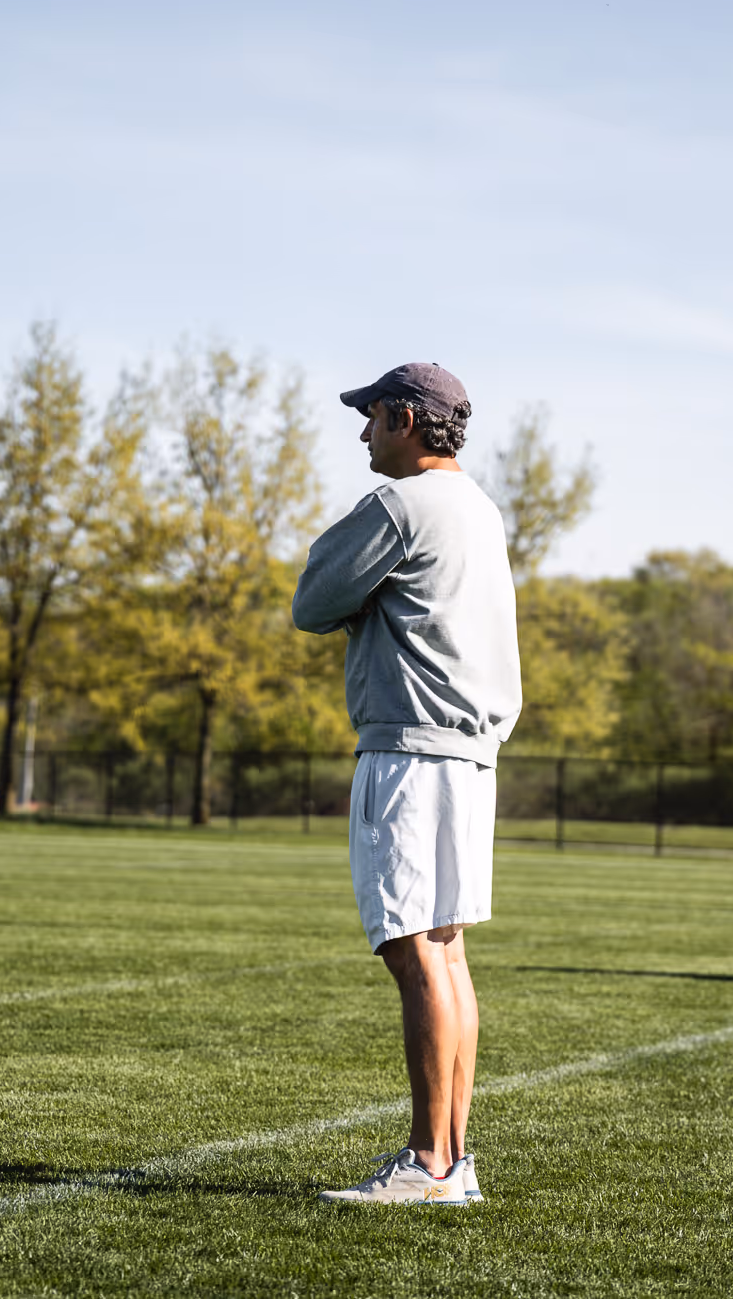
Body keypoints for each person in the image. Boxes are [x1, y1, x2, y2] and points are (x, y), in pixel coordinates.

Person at [291, 362, 522, 1206]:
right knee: (447, 951)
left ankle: (428, 1165)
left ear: (404, 419)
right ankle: (453, 1161)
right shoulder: (481, 510)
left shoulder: (400, 505)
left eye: (370, 418)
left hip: (409, 752)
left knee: (411, 948)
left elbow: (312, 600)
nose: (362, 435)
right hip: (471, 754)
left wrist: (358, 605)